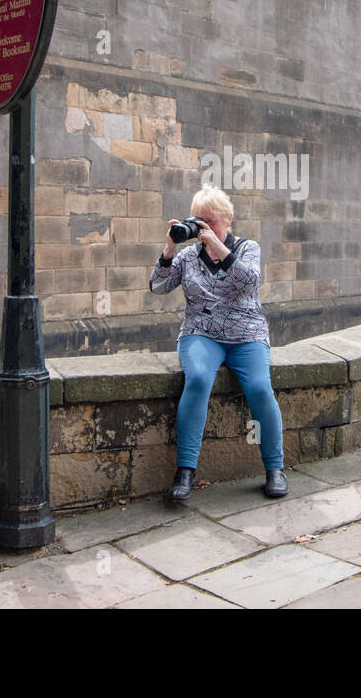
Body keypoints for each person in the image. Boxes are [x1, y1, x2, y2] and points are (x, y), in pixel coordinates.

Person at [148, 184, 287, 500]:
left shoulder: (248, 248)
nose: (204, 229)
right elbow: (157, 287)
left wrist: (218, 248)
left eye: (211, 222)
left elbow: (249, 282)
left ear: (229, 219)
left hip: (246, 336)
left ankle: (275, 469)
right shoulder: (188, 257)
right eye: (199, 222)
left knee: (260, 389)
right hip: (201, 333)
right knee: (197, 379)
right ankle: (185, 472)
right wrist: (169, 249)